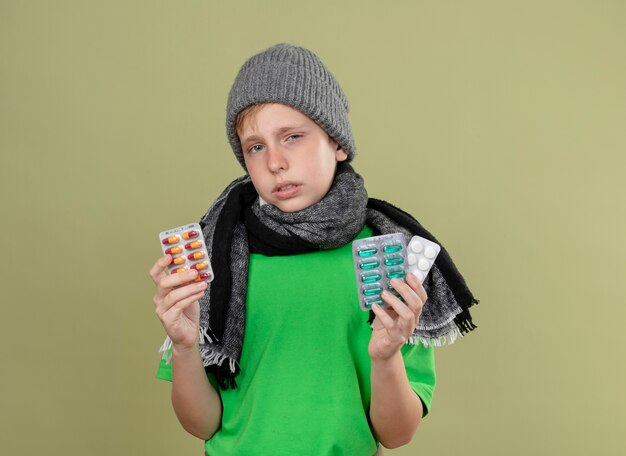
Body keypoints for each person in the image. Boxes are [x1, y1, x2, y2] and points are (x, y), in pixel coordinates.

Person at [149, 43, 478, 455]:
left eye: (293, 137)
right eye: (256, 147)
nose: (275, 162)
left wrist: (386, 356)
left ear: (337, 142)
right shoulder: (216, 256)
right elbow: (202, 424)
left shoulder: (389, 259)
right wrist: (183, 345)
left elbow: (397, 434)